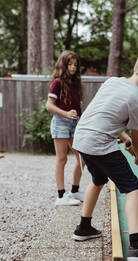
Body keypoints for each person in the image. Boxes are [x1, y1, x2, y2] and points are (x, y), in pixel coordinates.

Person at [72, 47, 138, 261]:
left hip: (81, 139)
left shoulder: (112, 82)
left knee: (98, 180)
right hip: (98, 142)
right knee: (133, 188)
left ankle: (84, 227)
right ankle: (137, 248)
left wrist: (125, 140)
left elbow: (107, 117)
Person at [46, 50, 84, 206]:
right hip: (61, 122)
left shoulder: (75, 83)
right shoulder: (57, 82)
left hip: (75, 123)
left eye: (75, 65)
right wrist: (66, 114)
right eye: (70, 64)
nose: (73, 67)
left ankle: (74, 191)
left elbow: (76, 106)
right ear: (63, 64)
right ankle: (61, 196)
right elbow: (49, 105)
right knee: (62, 159)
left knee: (82, 158)